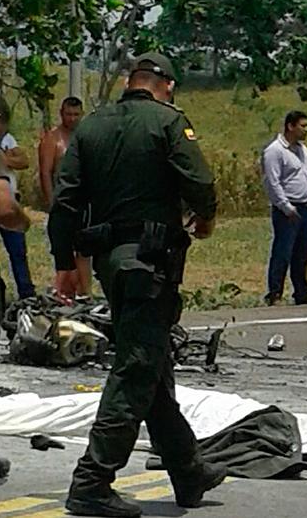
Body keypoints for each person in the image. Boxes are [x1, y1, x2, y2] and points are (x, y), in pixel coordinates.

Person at [48, 52, 225, 517]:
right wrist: (203, 217)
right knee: (134, 368)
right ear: (164, 85)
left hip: (111, 263)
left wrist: (65, 261)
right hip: (152, 264)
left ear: (131, 82)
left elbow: (64, 199)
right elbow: (200, 182)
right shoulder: (168, 122)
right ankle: (91, 481)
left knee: (152, 365)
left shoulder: (90, 126)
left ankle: (188, 469)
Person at [261, 110, 307, 306]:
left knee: (302, 252)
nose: (306, 130)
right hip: (287, 209)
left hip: (306, 206)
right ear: (290, 126)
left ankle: (302, 293)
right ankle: (275, 293)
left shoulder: (303, 150)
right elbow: (272, 182)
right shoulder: (275, 151)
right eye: (303, 126)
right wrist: (286, 207)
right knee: (283, 251)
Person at [39, 97, 90, 296]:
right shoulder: (53, 139)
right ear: (62, 113)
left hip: (84, 205)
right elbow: (45, 172)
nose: (72, 118)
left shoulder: (85, 136)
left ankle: (85, 293)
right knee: (63, 256)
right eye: (68, 114)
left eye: (76, 114)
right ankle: (63, 293)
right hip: (62, 204)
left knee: (84, 252)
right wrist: (52, 203)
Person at [0, 95, 35, 299]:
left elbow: (23, 160)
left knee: (18, 252)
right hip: (7, 204)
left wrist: (6, 159)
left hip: (12, 197)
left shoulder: (7, 140)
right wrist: (23, 219)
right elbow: (4, 207)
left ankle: (26, 292)